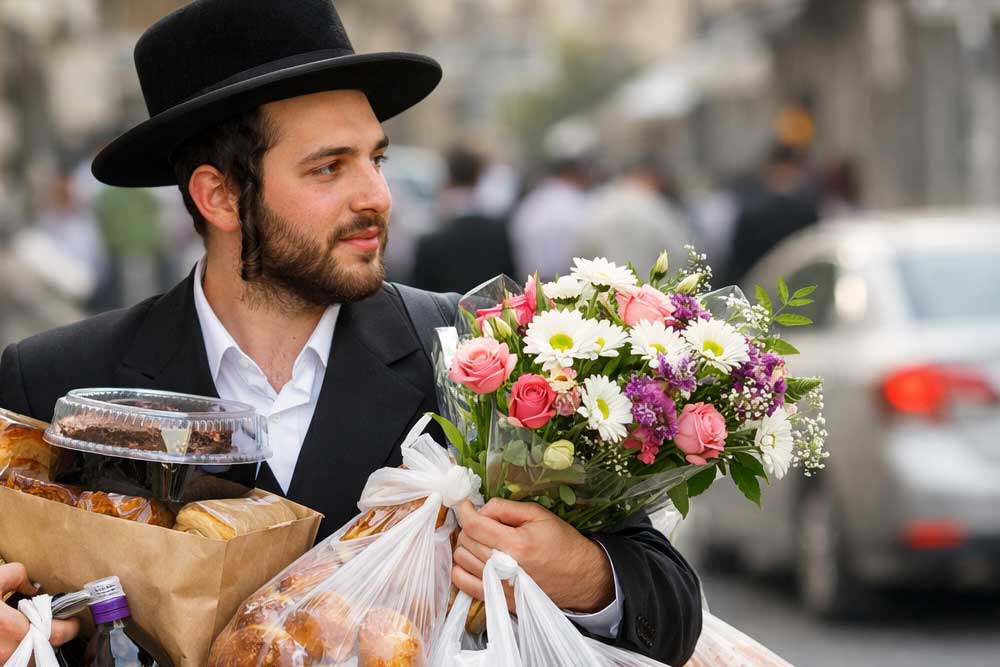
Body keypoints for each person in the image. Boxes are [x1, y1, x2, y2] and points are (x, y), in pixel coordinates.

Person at [0, 1, 701, 664]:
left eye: (377, 159)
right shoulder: (58, 383)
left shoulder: (476, 355)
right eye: (330, 167)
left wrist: (586, 575)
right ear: (220, 196)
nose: (378, 197)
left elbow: (669, 606)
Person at [410, 145, 517, 293]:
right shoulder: (499, 232)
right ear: (478, 177)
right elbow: (511, 284)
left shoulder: (431, 239)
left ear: (448, 177)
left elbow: (418, 294)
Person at [577, 155, 697, 274]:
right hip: (649, 283)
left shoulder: (600, 201)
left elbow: (582, 246)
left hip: (600, 282)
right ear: (654, 177)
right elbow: (680, 251)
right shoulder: (657, 207)